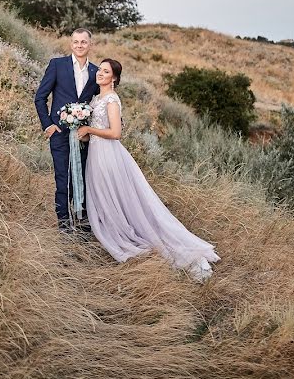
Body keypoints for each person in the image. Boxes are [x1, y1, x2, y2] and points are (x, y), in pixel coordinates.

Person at [77, 59, 220, 281]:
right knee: (104, 195)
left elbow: (115, 133)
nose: (100, 74)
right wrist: (83, 131)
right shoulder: (97, 98)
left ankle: (135, 236)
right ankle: (115, 230)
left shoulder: (112, 100)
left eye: (106, 72)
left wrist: (89, 129)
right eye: (100, 70)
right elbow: (98, 128)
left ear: (114, 78)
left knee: (117, 196)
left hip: (109, 155)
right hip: (96, 154)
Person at [34, 28, 100, 231]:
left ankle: (83, 223)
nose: (79, 45)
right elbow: (40, 98)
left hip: (84, 137)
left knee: (83, 179)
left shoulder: (96, 72)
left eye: (84, 42)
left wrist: (92, 130)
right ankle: (64, 226)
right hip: (60, 134)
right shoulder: (57, 65)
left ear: (90, 45)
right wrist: (49, 125)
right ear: (71, 44)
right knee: (63, 179)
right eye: (76, 42)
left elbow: (98, 103)